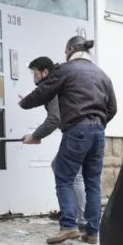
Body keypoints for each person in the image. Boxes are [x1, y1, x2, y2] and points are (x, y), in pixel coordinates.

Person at [19, 36, 117, 245]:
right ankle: (92, 232)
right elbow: (113, 108)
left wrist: (23, 103)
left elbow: (43, 92)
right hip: (99, 132)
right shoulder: (102, 75)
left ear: (70, 49)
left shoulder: (66, 69)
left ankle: (69, 226)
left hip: (77, 130)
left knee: (64, 176)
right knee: (93, 183)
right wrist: (97, 124)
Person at [23, 56, 87, 233]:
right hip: (88, 130)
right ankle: (77, 215)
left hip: (76, 132)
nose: (33, 77)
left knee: (73, 175)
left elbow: (53, 119)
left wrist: (35, 136)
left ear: (44, 72)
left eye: (34, 72)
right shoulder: (63, 81)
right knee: (68, 170)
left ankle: (80, 219)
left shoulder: (54, 84)